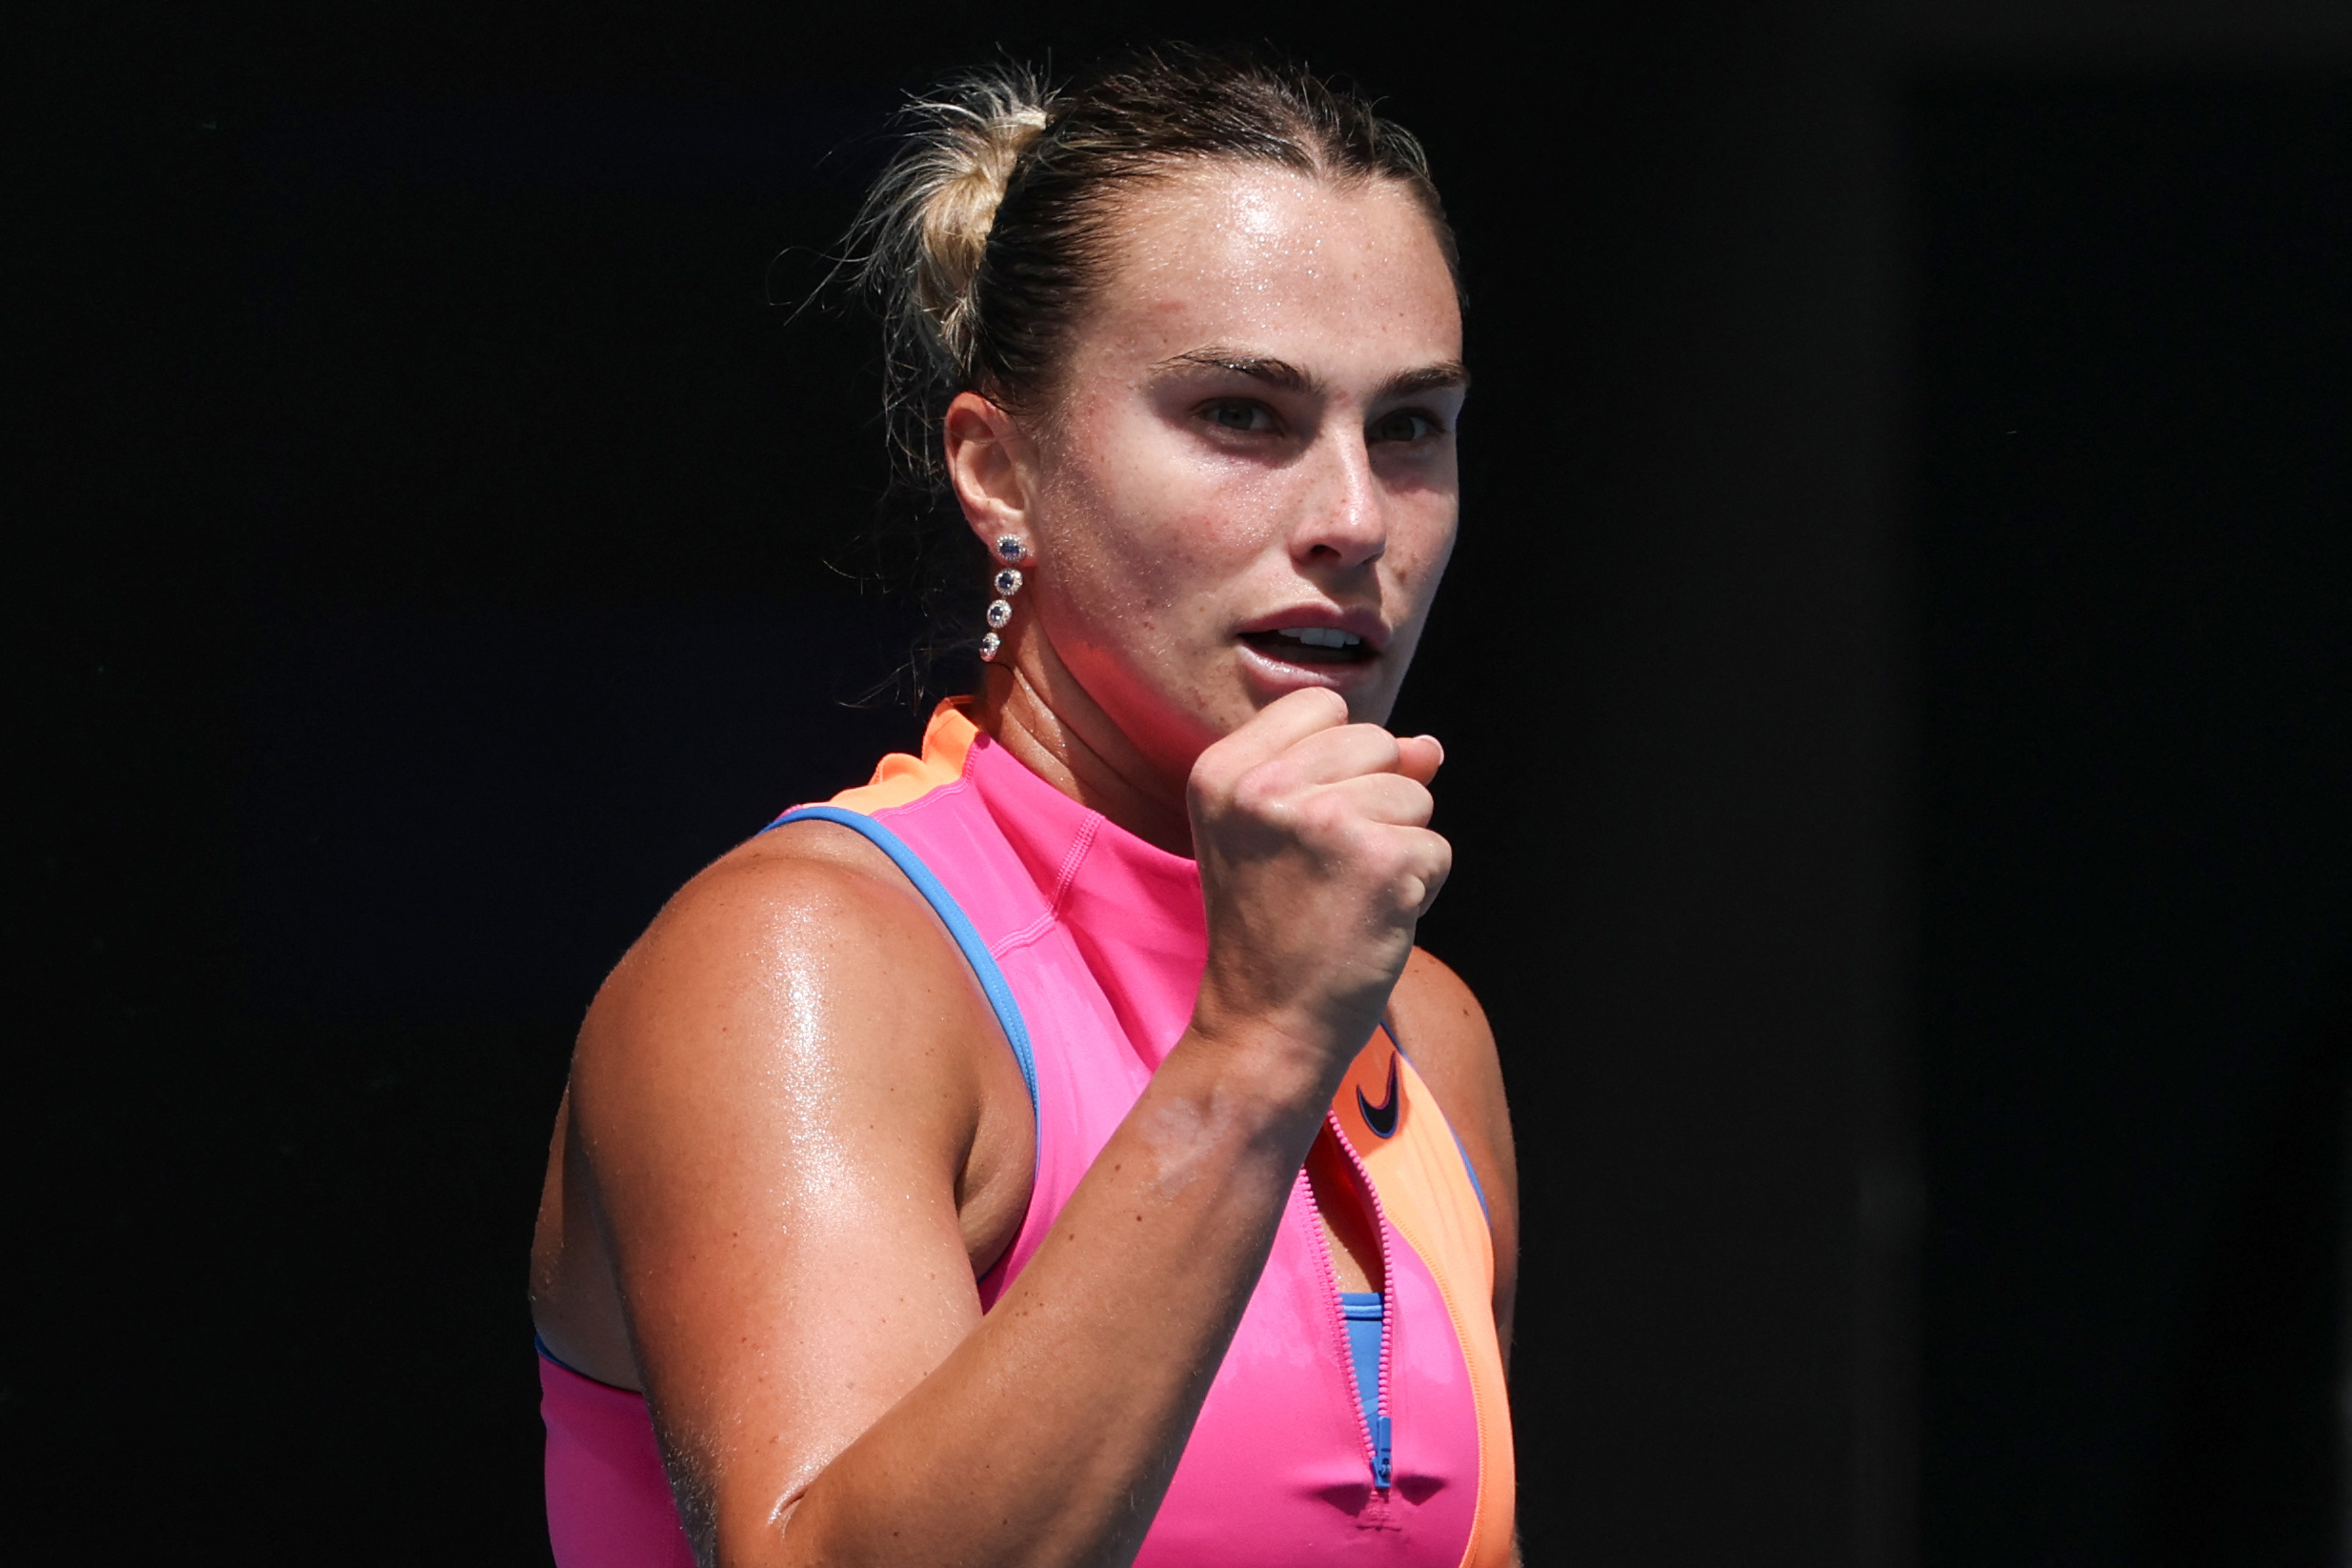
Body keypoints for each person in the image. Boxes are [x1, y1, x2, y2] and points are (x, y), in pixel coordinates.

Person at [529, 49, 1518, 1568]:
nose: (1352, 519)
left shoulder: (1422, 1029)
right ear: (1000, 472)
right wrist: (1254, 1052)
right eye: (1242, 413)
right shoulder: (799, 964)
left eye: (1409, 427)